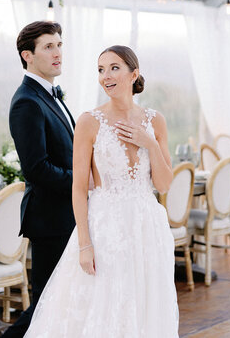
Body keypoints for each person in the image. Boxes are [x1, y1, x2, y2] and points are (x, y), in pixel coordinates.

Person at [23, 44, 179, 337]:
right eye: (100, 69)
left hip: (148, 228)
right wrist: (84, 244)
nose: (106, 76)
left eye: (114, 68)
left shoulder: (155, 121)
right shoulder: (89, 122)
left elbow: (164, 184)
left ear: (134, 74)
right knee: (106, 305)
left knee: (146, 306)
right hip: (107, 227)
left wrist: (151, 143)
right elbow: (79, 188)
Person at [2, 21, 76, 338]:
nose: (57, 52)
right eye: (48, 46)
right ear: (27, 55)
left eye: (59, 45)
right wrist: (81, 181)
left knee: (61, 301)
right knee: (46, 303)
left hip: (68, 215)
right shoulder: (26, 102)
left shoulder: (50, 94)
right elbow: (37, 169)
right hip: (50, 219)